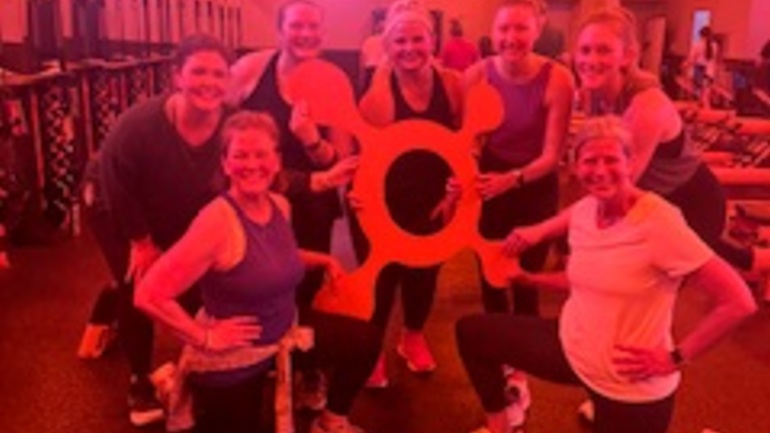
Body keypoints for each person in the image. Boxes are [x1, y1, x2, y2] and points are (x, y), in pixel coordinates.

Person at [456, 115, 757, 433]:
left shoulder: (658, 221)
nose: (600, 171)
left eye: (611, 159)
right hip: (574, 349)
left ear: (631, 163)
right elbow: (587, 280)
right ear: (575, 166)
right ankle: (501, 426)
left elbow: (739, 301)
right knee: (473, 333)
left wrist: (675, 357)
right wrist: (530, 279)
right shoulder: (586, 210)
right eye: (590, 161)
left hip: (628, 384)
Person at [135, 111, 361, 433]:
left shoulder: (279, 205)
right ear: (225, 164)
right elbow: (148, 295)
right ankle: (177, 385)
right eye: (240, 155)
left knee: (364, 342)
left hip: (283, 335)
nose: (252, 164)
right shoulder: (216, 222)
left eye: (261, 154)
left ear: (277, 161)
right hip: (234, 357)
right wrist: (205, 337)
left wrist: (325, 260)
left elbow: (272, 257)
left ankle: (330, 422)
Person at [229, 2, 381, 431]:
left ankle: (307, 369)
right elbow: (221, 130)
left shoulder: (334, 81)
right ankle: (253, 361)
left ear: (323, 33)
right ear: (280, 29)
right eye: (296, 25)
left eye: (314, 26)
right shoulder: (251, 69)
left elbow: (340, 160)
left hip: (311, 203)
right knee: (253, 281)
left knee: (304, 286)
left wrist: (311, 140)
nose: (306, 34)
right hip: (255, 199)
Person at [575, 6, 770, 281]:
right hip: (659, 203)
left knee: (659, 286)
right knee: (720, 258)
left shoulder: (646, 104)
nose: (591, 59)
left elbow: (618, 187)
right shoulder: (593, 95)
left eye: (603, 50)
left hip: (694, 202)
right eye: (585, 50)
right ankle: (758, 261)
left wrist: (558, 229)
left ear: (628, 55)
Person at [99, 34, 232, 426]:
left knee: (193, 278)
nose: (209, 82)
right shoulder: (138, 125)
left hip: (172, 204)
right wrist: (141, 242)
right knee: (141, 284)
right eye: (199, 72)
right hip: (113, 205)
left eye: (219, 74)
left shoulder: (232, 123)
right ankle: (139, 380)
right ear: (177, 77)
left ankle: (199, 366)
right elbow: (115, 184)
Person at [463, 0, 574, 424]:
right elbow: (472, 139)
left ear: (537, 29)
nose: (511, 38)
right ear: (493, 31)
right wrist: (469, 169)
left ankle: (522, 373)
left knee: (525, 280)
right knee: (491, 276)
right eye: (504, 29)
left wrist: (512, 179)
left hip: (532, 184)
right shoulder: (477, 75)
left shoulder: (557, 78)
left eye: (521, 29)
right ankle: (494, 361)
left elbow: (551, 155)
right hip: (491, 184)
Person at [354, 0, 463, 387]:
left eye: (418, 39)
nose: (410, 48)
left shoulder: (452, 84)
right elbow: (367, 149)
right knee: (381, 280)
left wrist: (456, 187)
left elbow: (465, 139)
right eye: (399, 41)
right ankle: (371, 349)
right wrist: (385, 70)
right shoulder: (378, 91)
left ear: (433, 41)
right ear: (387, 46)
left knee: (424, 273)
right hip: (381, 200)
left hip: (432, 197)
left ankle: (412, 337)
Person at [684, 26, 719, 107]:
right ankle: (707, 110)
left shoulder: (697, 44)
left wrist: (685, 64)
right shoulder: (715, 46)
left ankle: (699, 109)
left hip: (699, 70)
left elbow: (691, 59)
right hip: (710, 72)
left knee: (698, 94)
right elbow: (713, 60)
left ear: (701, 35)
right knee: (706, 95)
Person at [359, 17, 386, 95]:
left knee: (368, 94)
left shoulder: (368, 41)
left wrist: (361, 76)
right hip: (382, 70)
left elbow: (362, 59)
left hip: (369, 70)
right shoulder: (387, 41)